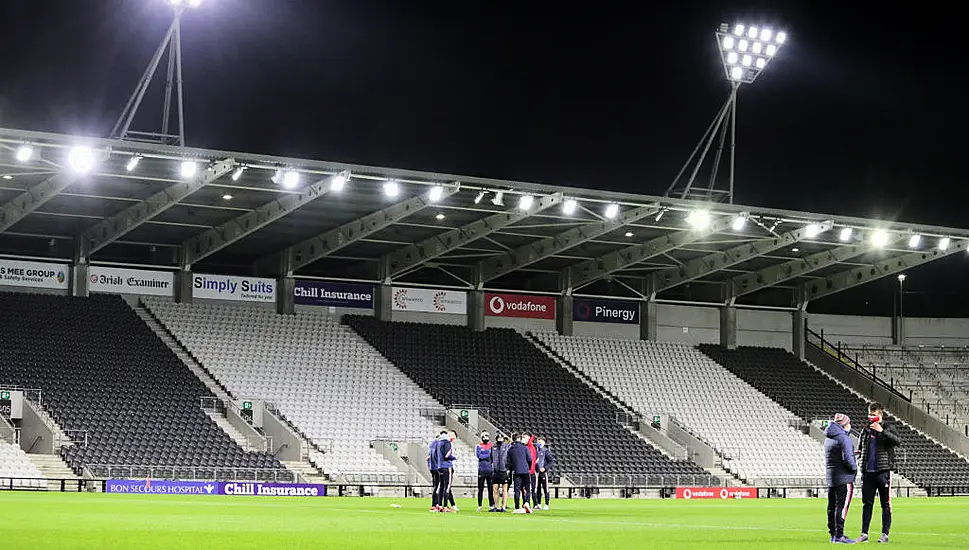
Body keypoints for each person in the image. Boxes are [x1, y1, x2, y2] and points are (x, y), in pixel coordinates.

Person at [857, 402, 901, 544]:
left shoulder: (889, 427)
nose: (871, 417)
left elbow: (897, 441)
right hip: (868, 472)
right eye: (870, 414)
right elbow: (861, 445)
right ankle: (864, 534)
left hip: (883, 472)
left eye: (874, 415)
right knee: (867, 504)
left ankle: (885, 534)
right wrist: (859, 454)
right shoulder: (866, 430)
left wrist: (881, 431)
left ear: (880, 415)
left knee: (885, 504)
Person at [825, 413, 858, 544]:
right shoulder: (844, 438)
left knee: (831, 506)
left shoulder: (829, 438)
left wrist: (850, 453)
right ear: (844, 424)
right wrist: (854, 468)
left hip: (832, 477)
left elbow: (836, 455)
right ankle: (840, 534)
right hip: (844, 478)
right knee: (842, 507)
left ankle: (833, 534)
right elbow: (847, 460)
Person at [508, 432, 533, 514]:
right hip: (525, 471)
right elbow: (530, 459)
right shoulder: (524, 447)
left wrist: (512, 468)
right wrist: (528, 468)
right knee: (527, 489)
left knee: (517, 490)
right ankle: (526, 503)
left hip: (516, 471)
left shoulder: (510, 449)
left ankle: (517, 507)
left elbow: (508, 463)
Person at [475, 431, 496, 512]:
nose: (485, 437)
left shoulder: (491, 445)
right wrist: (487, 455)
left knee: (490, 489)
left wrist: (484, 454)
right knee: (480, 489)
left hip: (490, 470)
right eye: (484, 436)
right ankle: (480, 505)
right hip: (481, 470)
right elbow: (479, 456)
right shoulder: (478, 445)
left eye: (487, 436)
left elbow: (492, 456)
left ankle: (491, 505)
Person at [436, 431, 456, 512]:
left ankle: (440, 505)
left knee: (441, 486)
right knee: (447, 487)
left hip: (440, 466)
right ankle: (445, 506)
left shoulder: (439, 442)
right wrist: (453, 457)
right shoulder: (447, 442)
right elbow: (447, 455)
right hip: (447, 466)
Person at [534, 437, 555, 510]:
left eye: (540, 441)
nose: (539, 443)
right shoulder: (535, 451)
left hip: (543, 473)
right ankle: (538, 503)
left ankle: (546, 504)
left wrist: (545, 468)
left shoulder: (546, 451)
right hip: (536, 472)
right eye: (538, 441)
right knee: (538, 488)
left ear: (544, 442)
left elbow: (551, 462)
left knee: (545, 488)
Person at [491, 433, 510, 512]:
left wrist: (507, 468)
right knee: (495, 489)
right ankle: (496, 506)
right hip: (495, 470)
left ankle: (503, 507)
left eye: (501, 438)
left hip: (504, 470)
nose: (500, 439)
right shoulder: (493, 447)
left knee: (505, 489)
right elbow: (491, 457)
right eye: (498, 438)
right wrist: (492, 466)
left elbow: (509, 457)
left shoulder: (507, 446)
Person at [428, 431, 444, 512]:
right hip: (437, 468)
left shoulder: (431, 444)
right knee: (438, 486)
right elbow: (436, 456)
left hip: (432, 468)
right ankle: (436, 504)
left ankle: (435, 504)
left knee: (435, 485)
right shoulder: (438, 444)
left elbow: (428, 457)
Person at [525, 432, 538, 509]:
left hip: (530, 470)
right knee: (530, 489)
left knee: (531, 488)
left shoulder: (530, 446)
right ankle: (531, 503)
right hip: (529, 470)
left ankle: (531, 503)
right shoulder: (530, 447)